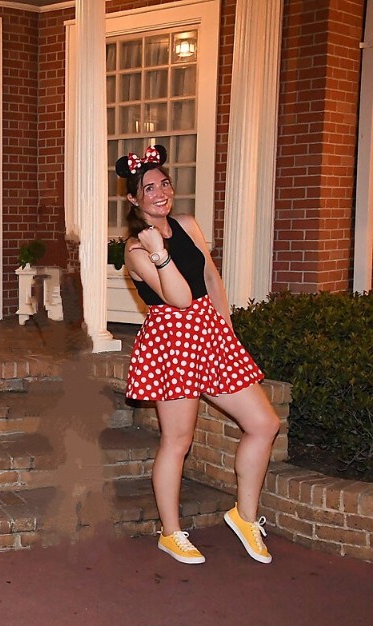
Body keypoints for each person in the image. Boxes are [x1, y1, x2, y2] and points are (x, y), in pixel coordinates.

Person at [116, 145, 280, 565]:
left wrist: (227, 332)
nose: (159, 192)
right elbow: (180, 297)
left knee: (264, 422)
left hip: (210, 333)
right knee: (178, 441)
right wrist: (158, 251)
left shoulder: (187, 223)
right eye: (148, 188)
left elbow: (209, 278)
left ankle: (245, 517)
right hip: (171, 341)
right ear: (133, 199)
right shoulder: (135, 251)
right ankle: (171, 532)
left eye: (164, 183)